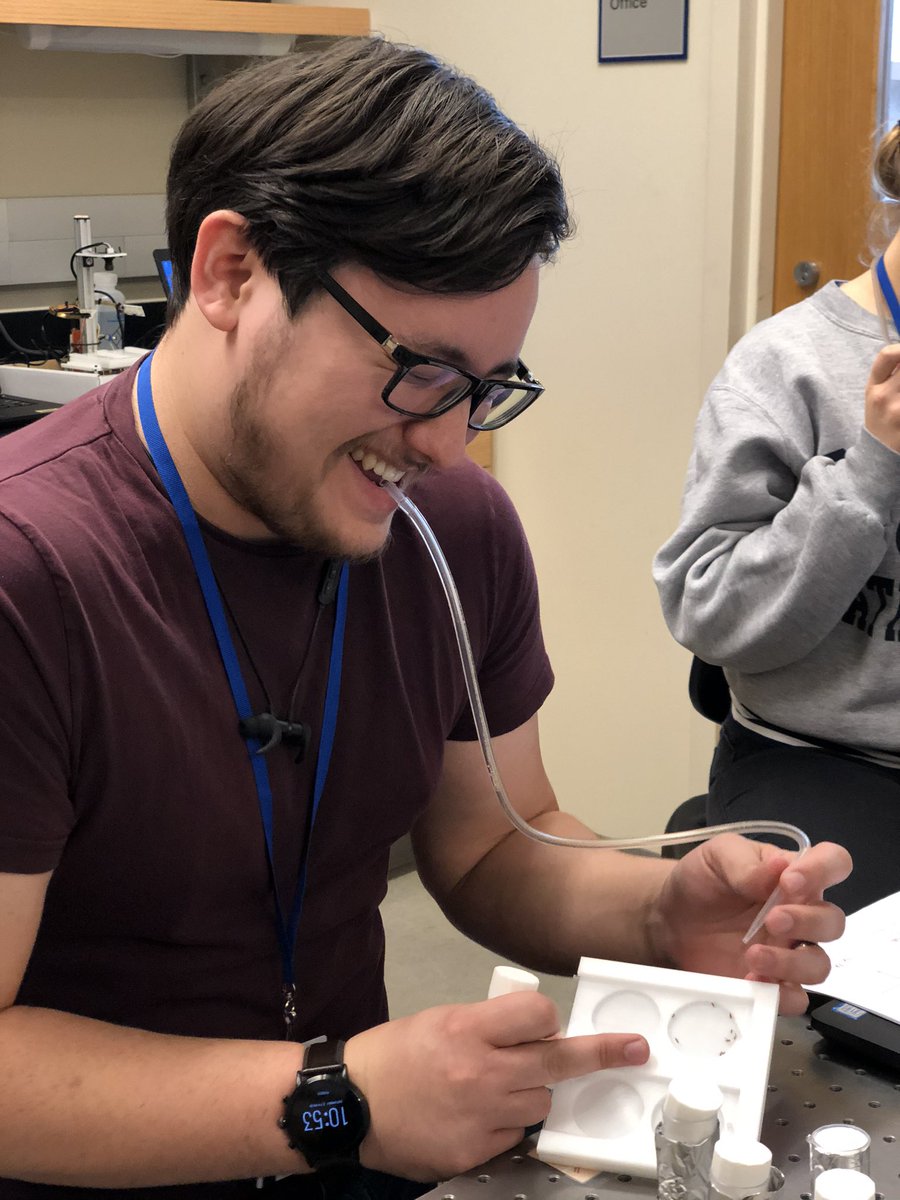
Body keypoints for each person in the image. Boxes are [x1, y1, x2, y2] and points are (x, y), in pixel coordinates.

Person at [0, 36, 847, 1200]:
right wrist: (336, 1098)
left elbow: (493, 843)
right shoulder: (31, 575)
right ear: (232, 274)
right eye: (421, 371)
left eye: (487, 389)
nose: (447, 444)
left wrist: (659, 913)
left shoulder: (452, 531)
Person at [654, 121, 900, 917]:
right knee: (847, 981)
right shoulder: (787, 364)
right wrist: (872, 468)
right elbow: (708, 611)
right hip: (828, 755)